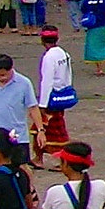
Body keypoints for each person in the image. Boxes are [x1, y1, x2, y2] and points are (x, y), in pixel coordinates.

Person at [0, 54, 41, 165]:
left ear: (11, 69)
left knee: (22, 166)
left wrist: (40, 130)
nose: (0, 78)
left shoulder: (24, 83)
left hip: (17, 135)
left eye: (3, 75)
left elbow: (33, 107)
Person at [37, 27, 75, 168]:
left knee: (46, 128)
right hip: (61, 95)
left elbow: (47, 81)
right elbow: (68, 74)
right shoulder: (63, 53)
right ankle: (39, 156)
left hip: (51, 98)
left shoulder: (49, 57)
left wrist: (42, 104)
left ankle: (58, 158)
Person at [79, 0, 105, 74]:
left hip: (92, 27)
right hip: (104, 25)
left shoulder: (86, 1)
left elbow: (83, 12)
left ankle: (99, 69)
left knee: (94, 46)